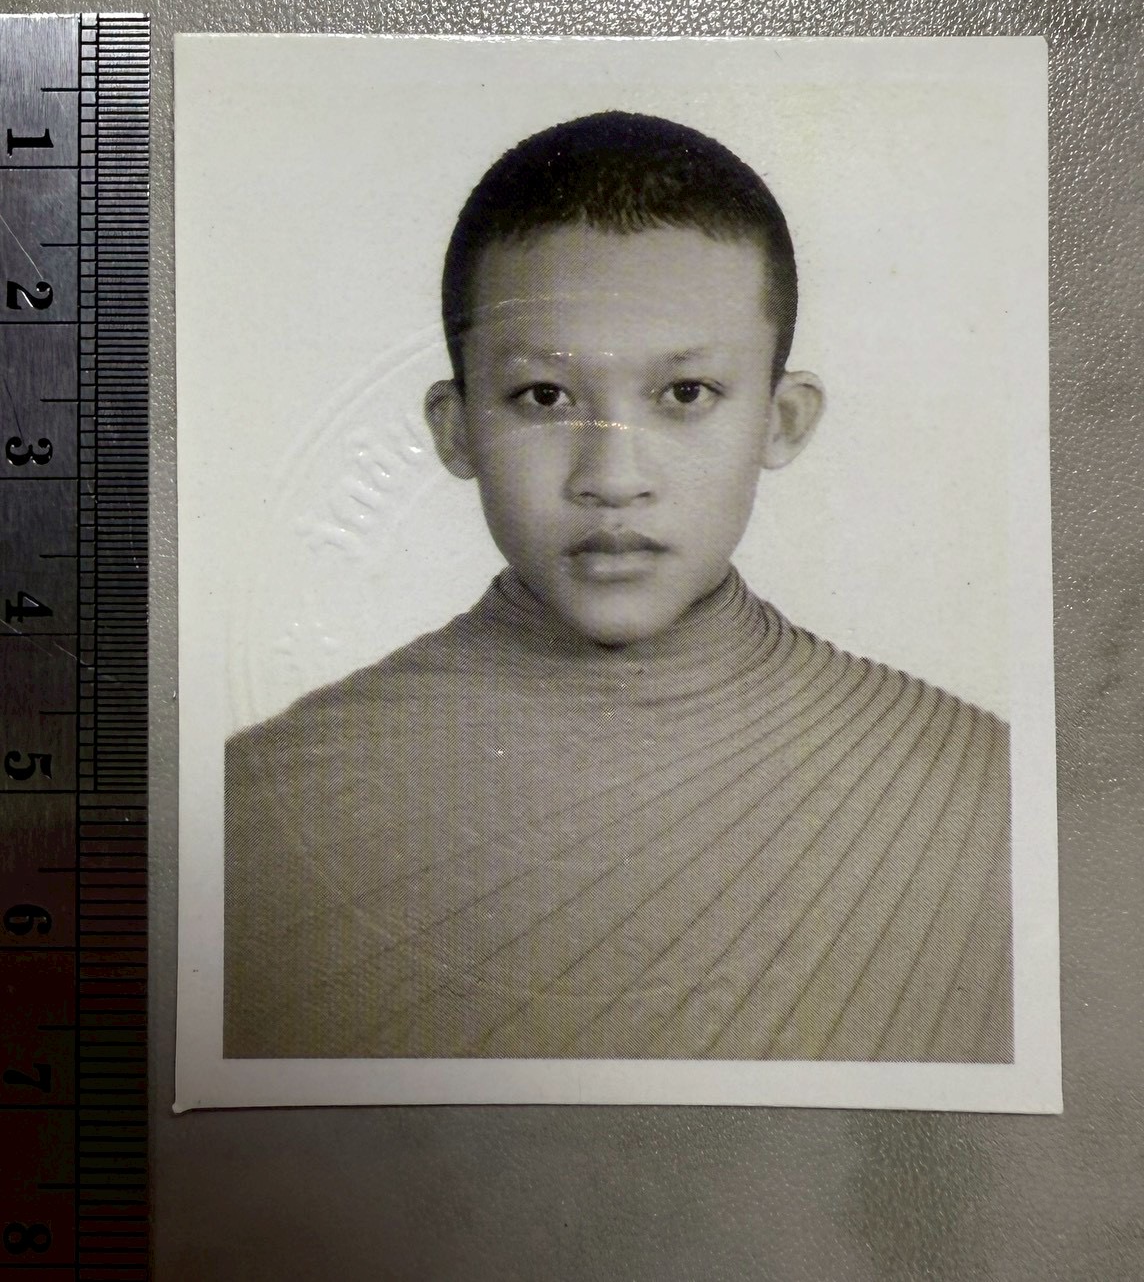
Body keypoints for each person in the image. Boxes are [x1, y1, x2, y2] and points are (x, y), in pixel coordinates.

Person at [225, 111, 1011, 1063]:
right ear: (457, 427)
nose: (612, 476)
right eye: (544, 398)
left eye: (684, 396)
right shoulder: (255, 809)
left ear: (783, 419)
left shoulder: (980, 785)